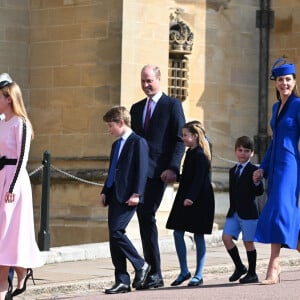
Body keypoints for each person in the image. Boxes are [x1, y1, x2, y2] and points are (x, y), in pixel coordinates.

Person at [130, 64, 186, 289]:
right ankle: (147, 271)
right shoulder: (136, 108)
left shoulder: (172, 105)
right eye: (143, 81)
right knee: (142, 218)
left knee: (146, 214)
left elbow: (180, 139)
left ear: (159, 79)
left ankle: (154, 272)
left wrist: (173, 168)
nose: (146, 85)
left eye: (149, 80)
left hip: (159, 173)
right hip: (138, 173)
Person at [253, 58, 300, 284]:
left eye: (288, 79)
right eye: (280, 80)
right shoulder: (275, 107)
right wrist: (262, 168)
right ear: (275, 83)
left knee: (280, 211)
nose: (284, 83)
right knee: (283, 213)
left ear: (294, 81)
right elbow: (273, 141)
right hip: (274, 165)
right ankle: (275, 265)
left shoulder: (298, 105)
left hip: (290, 166)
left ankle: (274, 266)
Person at [0, 73, 44, 300]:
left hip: (13, 182)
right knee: (4, 233)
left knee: (8, 232)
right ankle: (20, 270)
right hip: (0, 178)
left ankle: (5, 284)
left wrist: (12, 188)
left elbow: (22, 158)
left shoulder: (21, 123)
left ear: (8, 98)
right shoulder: (1, 123)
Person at [100, 106, 151, 294]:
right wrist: (105, 190)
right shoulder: (116, 145)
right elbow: (113, 169)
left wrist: (137, 194)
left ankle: (141, 265)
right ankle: (121, 280)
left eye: (110, 125)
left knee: (116, 232)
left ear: (121, 123)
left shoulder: (138, 142)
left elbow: (142, 170)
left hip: (129, 195)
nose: (109, 130)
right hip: (114, 194)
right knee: (114, 237)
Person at [166, 121, 215, 287]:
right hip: (185, 196)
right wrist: (176, 177)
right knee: (177, 232)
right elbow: (189, 176)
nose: (183, 138)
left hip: (199, 199)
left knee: (198, 235)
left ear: (195, 136)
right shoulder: (190, 153)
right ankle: (184, 271)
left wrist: (191, 198)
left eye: (185, 135)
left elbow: (200, 179)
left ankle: (199, 274)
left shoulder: (201, 154)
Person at [222, 136, 264, 284]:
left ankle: (252, 273)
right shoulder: (233, 170)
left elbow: (259, 192)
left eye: (247, 151)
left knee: (248, 243)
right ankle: (240, 267)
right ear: (235, 151)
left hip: (249, 213)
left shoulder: (255, 170)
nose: (243, 153)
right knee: (226, 238)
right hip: (234, 212)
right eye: (240, 150)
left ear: (252, 153)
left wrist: (256, 182)